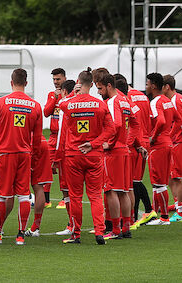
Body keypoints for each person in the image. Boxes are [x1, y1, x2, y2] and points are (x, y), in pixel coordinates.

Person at [0, 68, 43, 246]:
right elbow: (37, 139)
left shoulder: (0, 103)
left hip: (4, 153)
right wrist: (34, 157)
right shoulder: (35, 105)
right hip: (25, 154)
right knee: (23, 195)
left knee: (0, 195)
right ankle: (21, 235)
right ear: (26, 83)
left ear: (11, 82)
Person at [56, 68, 114, 245]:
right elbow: (111, 129)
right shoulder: (100, 104)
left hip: (74, 154)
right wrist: (95, 143)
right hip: (94, 154)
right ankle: (99, 232)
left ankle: (76, 233)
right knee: (96, 195)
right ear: (92, 84)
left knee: (75, 196)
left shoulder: (68, 103)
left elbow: (62, 104)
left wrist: (73, 93)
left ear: (79, 83)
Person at [95, 73, 139, 239]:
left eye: (100, 88)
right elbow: (135, 124)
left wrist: (109, 143)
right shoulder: (124, 100)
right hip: (125, 151)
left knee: (110, 190)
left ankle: (115, 230)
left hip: (114, 153)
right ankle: (126, 227)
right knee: (124, 191)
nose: (99, 92)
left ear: (108, 85)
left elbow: (117, 124)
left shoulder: (113, 101)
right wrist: (127, 142)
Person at [117, 74, 155, 227]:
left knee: (130, 183)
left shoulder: (125, 100)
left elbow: (131, 124)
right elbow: (151, 118)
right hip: (143, 140)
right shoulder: (143, 97)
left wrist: (129, 142)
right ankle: (144, 212)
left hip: (132, 143)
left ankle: (134, 216)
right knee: (134, 181)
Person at [142, 72, 179, 225]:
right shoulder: (167, 100)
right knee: (161, 182)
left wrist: (154, 137)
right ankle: (159, 214)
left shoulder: (155, 102)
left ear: (154, 86)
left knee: (158, 183)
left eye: (147, 83)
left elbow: (162, 121)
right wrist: (168, 135)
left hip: (158, 146)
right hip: (167, 143)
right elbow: (179, 119)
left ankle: (164, 217)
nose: (146, 86)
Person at [162, 74, 182, 222]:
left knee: (178, 178)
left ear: (167, 87)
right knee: (171, 177)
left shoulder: (175, 101)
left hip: (177, 142)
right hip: (177, 142)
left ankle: (181, 212)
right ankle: (178, 207)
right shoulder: (180, 98)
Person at [53, 79, 77, 236]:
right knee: (94, 193)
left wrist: (57, 156)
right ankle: (103, 225)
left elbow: (62, 133)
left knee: (68, 191)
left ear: (64, 91)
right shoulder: (86, 103)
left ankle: (72, 225)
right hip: (89, 151)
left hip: (69, 152)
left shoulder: (64, 105)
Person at [44, 68, 66, 209]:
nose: (56, 82)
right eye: (54, 79)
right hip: (52, 137)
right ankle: (46, 200)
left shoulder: (70, 94)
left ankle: (65, 198)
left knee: (64, 169)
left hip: (64, 137)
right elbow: (46, 112)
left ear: (64, 78)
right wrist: (54, 98)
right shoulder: (52, 95)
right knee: (46, 168)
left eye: (58, 79)